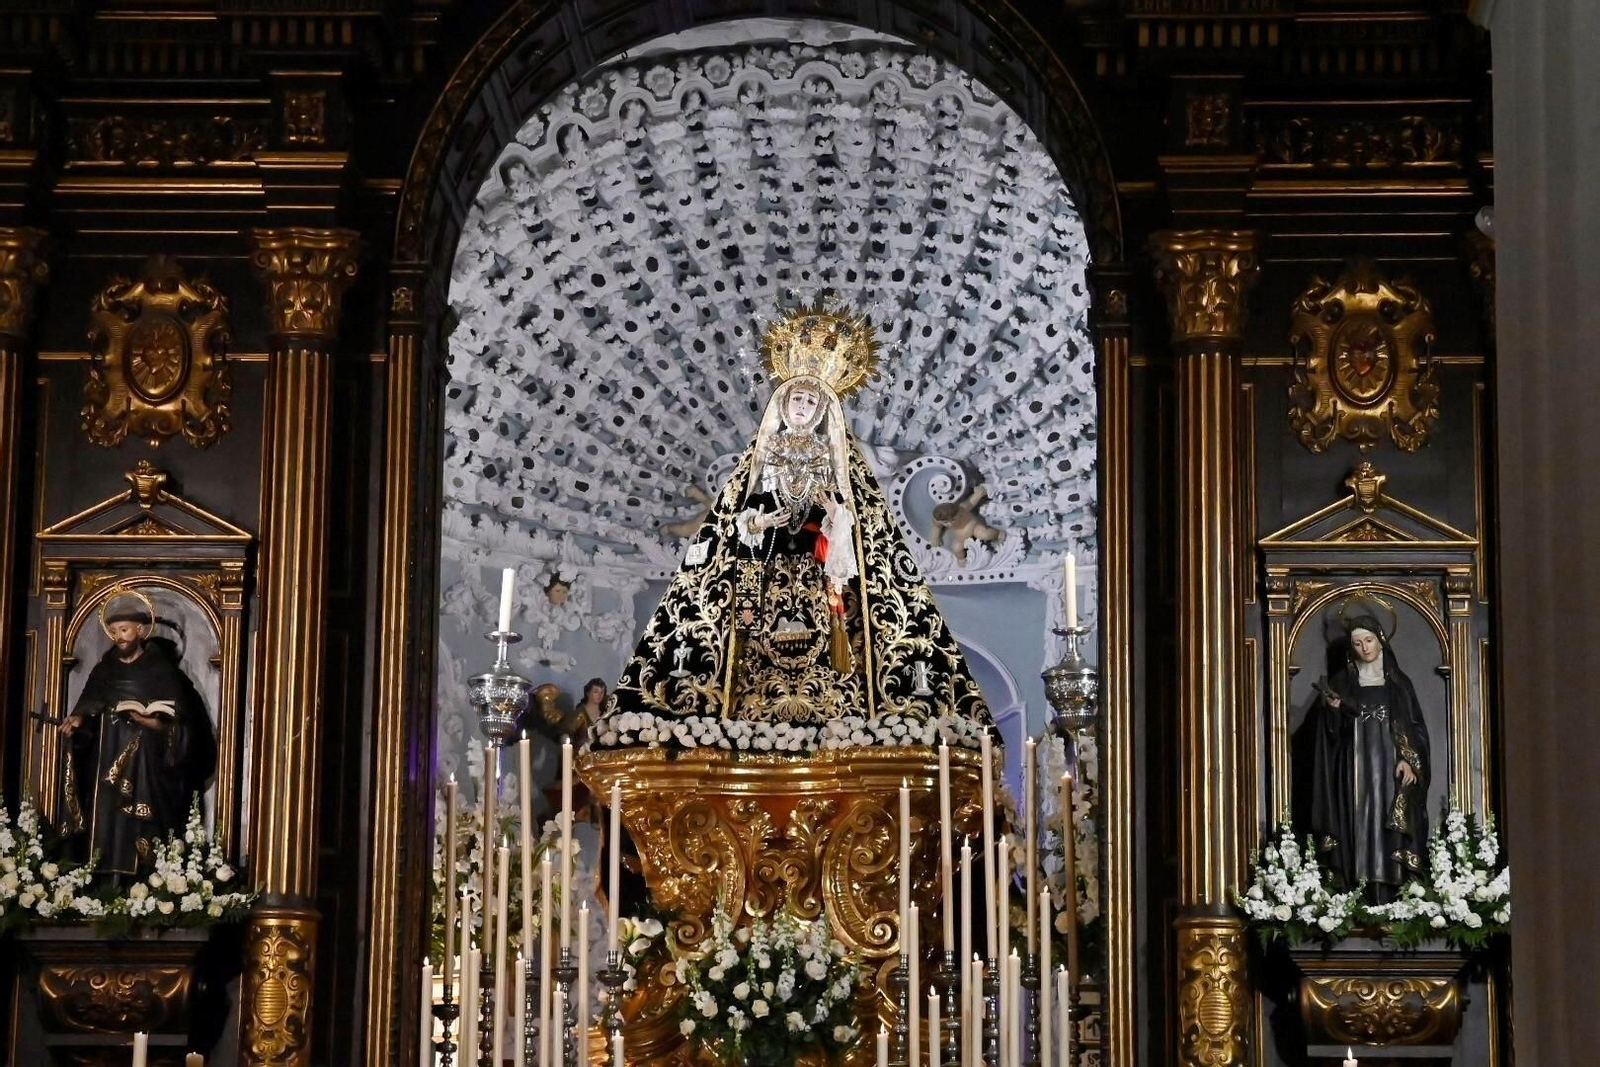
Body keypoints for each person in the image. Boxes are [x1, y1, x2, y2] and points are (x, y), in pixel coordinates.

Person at [600, 304, 990, 729]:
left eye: (810, 400)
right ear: (782, 404)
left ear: (822, 410)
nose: (802, 406)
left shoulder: (836, 458)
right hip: (766, 567)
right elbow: (740, 517)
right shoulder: (763, 456)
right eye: (796, 398)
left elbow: (857, 523)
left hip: (820, 566)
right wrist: (759, 523)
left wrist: (835, 515)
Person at [58, 594, 217, 884]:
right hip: (106, 760)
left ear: (140, 630)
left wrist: (151, 722)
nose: (119, 637)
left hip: (146, 767)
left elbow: (181, 723)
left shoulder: (161, 670)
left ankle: (145, 881)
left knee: (142, 826)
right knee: (107, 821)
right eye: (114, 631)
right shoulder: (104, 670)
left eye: (124, 630)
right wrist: (78, 718)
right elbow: (89, 703)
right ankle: (102, 879)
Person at [1309, 614, 1431, 902]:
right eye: (1357, 643)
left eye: (1369, 640)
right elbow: (1329, 737)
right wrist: (1333, 711)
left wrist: (1408, 758)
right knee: (1357, 823)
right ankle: (1355, 893)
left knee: (1388, 825)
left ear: (1380, 640)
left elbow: (1414, 727)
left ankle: (1392, 893)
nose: (1365, 648)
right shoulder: (1342, 682)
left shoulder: (1399, 683)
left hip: (1389, 769)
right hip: (1354, 769)